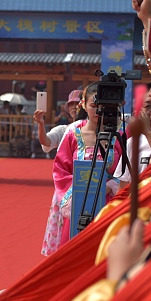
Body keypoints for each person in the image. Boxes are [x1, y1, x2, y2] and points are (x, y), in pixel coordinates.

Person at [41, 82, 122, 256]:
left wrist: (111, 185)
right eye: (93, 106)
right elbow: (61, 170)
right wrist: (78, 190)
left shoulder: (119, 134)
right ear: (83, 105)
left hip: (109, 202)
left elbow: (126, 170)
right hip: (79, 202)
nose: (98, 111)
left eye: (102, 106)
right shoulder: (72, 133)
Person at [34, 90, 83, 154]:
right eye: (71, 104)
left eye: (77, 103)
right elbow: (46, 142)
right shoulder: (62, 130)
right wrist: (41, 123)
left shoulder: (94, 130)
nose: (74, 107)